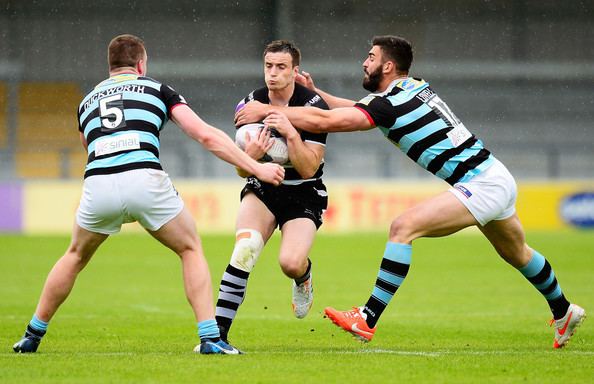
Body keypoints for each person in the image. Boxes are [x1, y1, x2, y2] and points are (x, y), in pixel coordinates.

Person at [235, 35, 586, 348]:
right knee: (517, 253)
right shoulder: (412, 87)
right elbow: (358, 109)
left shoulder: (389, 103)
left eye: (370, 57)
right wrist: (318, 94)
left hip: (481, 184)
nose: (364, 62)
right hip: (494, 176)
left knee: (403, 228)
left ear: (387, 65)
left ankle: (367, 317)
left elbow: (332, 122)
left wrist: (269, 110)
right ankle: (563, 310)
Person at [12, 34, 284, 355]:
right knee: (189, 248)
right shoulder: (156, 88)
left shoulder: (87, 101)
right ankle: (210, 338)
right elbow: (204, 135)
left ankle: (32, 334)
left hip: (98, 182)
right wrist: (256, 166)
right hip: (143, 177)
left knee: (75, 255)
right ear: (141, 64)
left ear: (110, 66)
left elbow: (89, 145)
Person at [214, 40, 329, 343]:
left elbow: (308, 168)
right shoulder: (249, 104)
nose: (273, 74)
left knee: (290, 263)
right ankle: (216, 336)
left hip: (304, 192)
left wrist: (291, 133)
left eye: (281, 67)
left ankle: (303, 279)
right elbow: (241, 169)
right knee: (245, 249)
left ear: (295, 71)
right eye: (268, 66)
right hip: (263, 188)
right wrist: (250, 156)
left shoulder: (314, 105)